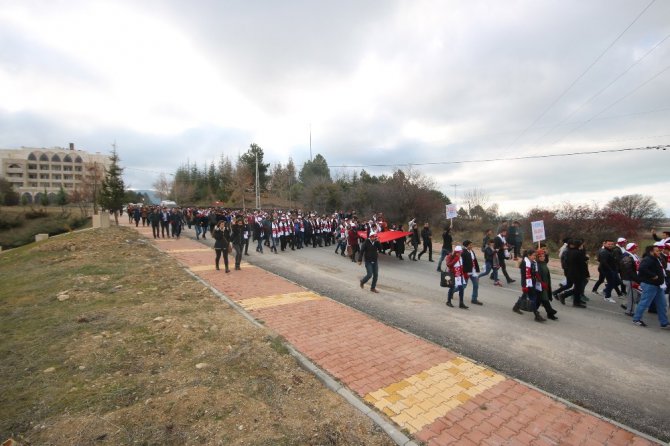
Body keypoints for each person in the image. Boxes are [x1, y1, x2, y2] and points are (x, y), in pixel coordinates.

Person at [632, 245, 669, 328]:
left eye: (659, 251)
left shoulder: (656, 259)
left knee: (662, 304)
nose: (659, 252)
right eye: (657, 251)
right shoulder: (648, 259)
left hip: (658, 285)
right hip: (650, 285)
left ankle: (664, 322)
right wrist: (653, 275)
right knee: (644, 302)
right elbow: (642, 268)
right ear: (651, 252)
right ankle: (636, 319)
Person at [512, 249, 545, 322]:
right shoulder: (525, 263)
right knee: (533, 298)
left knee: (524, 296)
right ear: (529, 255)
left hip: (532, 282)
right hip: (526, 283)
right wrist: (525, 286)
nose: (535, 257)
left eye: (535, 255)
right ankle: (536, 315)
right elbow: (524, 275)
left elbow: (536, 273)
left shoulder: (534, 262)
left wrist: (540, 281)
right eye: (533, 255)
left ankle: (516, 307)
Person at [536, 249, 558, 320]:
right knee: (545, 299)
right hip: (541, 285)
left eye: (543, 256)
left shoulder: (544, 263)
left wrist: (546, 254)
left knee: (540, 300)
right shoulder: (538, 265)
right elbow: (537, 276)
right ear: (538, 257)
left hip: (546, 283)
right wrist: (541, 283)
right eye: (540, 256)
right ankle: (550, 312)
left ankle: (533, 309)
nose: (542, 257)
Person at [620, 242, 640, 316]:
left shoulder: (633, 255)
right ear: (632, 249)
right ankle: (629, 311)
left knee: (635, 295)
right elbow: (629, 270)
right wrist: (636, 279)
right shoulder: (627, 256)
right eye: (636, 248)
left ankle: (626, 305)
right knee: (632, 296)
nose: (637, 249)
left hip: (633, 278)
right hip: (629, 279)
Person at [461, 240, 482, 305]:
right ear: (466, 246)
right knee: (463, 286)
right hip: (466, 272)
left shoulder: (472, 251)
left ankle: (474, 299)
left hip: (473, 271)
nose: (471, 246)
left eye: (471, 245)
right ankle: (452, 291)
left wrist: (477, 269)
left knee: (476, 285)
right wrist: (463, 271)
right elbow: (462, 263)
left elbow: (474, 261)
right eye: (470, 245)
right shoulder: (463, 252)